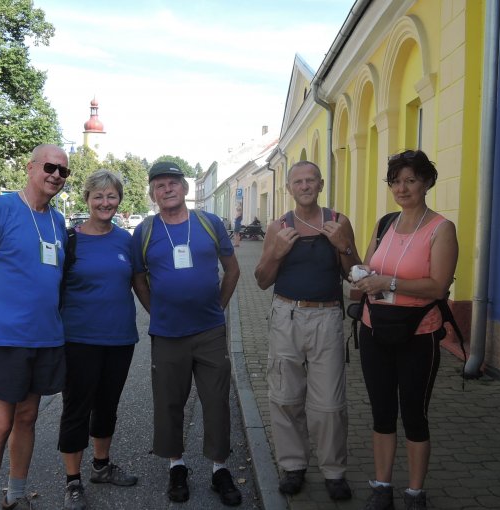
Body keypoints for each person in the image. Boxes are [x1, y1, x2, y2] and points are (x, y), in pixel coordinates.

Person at [0, 144, 70, 510]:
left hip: (45, 337)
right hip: (4, 338)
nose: (56, 175)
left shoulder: (57, 221)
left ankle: (16, 495)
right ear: (31, 168)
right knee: (0, 425)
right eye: (50, 167)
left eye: (63, 171)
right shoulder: (2, 208)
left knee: (28, 417)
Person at [351, 149, 458, 510]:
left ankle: (415, 492)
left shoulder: (441, 229)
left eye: (410, 180)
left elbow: (438, 286)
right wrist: (361, 277)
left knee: (414, 413)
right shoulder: (384, 224)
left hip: (418, 333)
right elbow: (369, 267)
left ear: (427, 182)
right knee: (382, 411)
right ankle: (382, 486)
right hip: (374, 329)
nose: (402, 187)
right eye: (396, 181)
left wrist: (390, 282)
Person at [131, 161, 242, 506]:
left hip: (209, 331)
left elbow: (233, 269)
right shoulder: (145, 231)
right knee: (169, 402)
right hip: (167, 335)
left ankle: (219, 469)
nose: (167, 189)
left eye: (173, 183)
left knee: (216, 401)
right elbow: (138, 279)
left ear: (185, 188)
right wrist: (157, 312)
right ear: (152, 194)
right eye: (160, 185)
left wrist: (219, 307)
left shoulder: (209, 224)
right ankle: (176, 465)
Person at [254, 161, 360, 501]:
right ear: (289, 188)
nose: (304, 186)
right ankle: (294, 466)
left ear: (321, 183)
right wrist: (276, 252)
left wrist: (343, 245)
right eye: (298, 181)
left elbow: (354, 273)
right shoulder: (278, 227)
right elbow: (261, 279)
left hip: (327, 317)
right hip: (286, 315)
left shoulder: (338, 222)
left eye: (310, 180)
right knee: (285, 397)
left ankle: (333, 472)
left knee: (329, 403)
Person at [58, 170, 139, 510]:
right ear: (87, 200)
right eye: (98, 197)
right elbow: (51, 288)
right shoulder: (70, 240)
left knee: (108, 405)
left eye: (112, 196)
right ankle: (72, 481)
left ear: (119, 200)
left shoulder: (127, 240)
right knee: (77, 408)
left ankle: (101, 467)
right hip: (79, 339)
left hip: (120, 338)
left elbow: (140, 282)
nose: (105, 203)